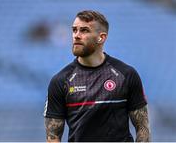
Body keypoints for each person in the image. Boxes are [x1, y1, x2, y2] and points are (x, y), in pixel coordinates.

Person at [44, 10, 151, 142]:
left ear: (101, 37)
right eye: (74, 30)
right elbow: (52, 137)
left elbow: (142, 128)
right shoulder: (60, 81)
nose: (76, 35)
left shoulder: (126, 74)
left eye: (84, 30)